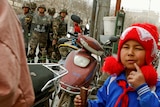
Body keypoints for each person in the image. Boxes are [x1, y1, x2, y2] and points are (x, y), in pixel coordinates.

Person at [74, 23, 160, 107]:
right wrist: (87, 104)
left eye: (138, 48)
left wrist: (142, 88)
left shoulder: (154, 85)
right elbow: (101, 103)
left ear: (148, 55)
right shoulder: (113, 80)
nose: (130, 53)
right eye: (126, 47)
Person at [0, 1, 35, 107]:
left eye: (26, 8)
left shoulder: (32, 18)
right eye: (23, 8)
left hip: (26, 39)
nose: (24, 9)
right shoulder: (18, 16)